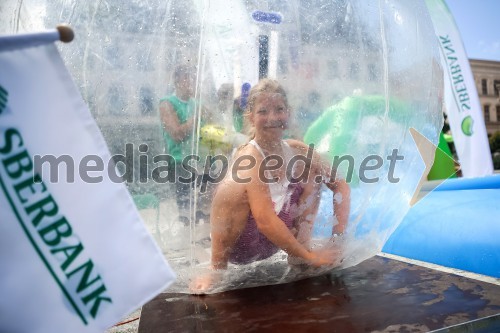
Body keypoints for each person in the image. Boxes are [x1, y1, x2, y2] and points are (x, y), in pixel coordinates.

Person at [191, 79, 350, 293]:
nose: (272, 118)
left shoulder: (295, 149)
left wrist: (336, 240)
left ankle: (299, 253)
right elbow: (265, 221)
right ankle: (216, 268)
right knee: (234, 188)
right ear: (251, 117)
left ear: (288, 112)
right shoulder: (249, 156)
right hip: (243, 245)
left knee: (312, 171)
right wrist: (314, 258)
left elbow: (340, 184)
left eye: (279, 110)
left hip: (274, 239)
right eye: (263, 111)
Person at [159, 64, 209, 225]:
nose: (191, 82)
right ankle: (186, 236)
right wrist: (196, 118)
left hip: (201, 161)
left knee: (204, 210)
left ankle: (202, 241)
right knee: (186, 211)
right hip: (180, 162)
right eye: (187, 77)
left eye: (194, 78)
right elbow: (176, 134)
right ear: (177, 81)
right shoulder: (167, 103)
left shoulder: (198, 103)